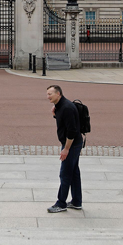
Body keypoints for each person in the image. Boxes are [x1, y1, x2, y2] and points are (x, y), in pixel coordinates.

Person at [46, 84, 82, 213]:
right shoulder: (60, 106)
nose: (48, 96)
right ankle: (77, 201)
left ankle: (61, 203)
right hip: (73, 143)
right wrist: (55, 114)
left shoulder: (66, 107)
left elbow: (71, 131)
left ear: (58, 94)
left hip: (71, 144)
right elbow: (65, 124)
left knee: (65, 174)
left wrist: (66, 149)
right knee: (74, 173)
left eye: (50, 94)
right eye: (47, 94)